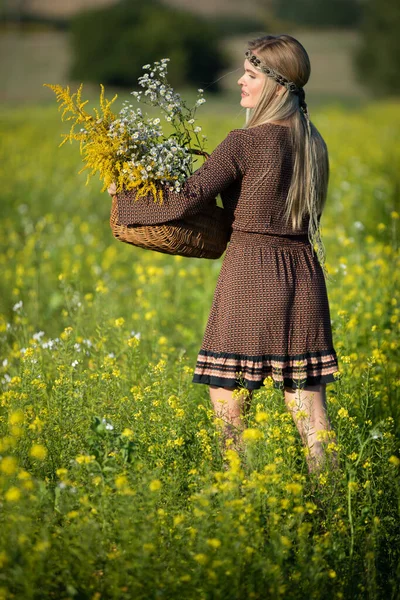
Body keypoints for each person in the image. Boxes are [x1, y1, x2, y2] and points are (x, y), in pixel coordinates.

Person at [108, 34, 340, 476]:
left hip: (252, 273)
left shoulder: (245, 141)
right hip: (304, 272)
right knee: (309, 412)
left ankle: (239, 503)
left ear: (275, 85)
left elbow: (186, 198)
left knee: (228, 402)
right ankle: (332, 518)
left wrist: (126, 197)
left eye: (250, 74)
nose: (239, 81)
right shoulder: (313, 141)